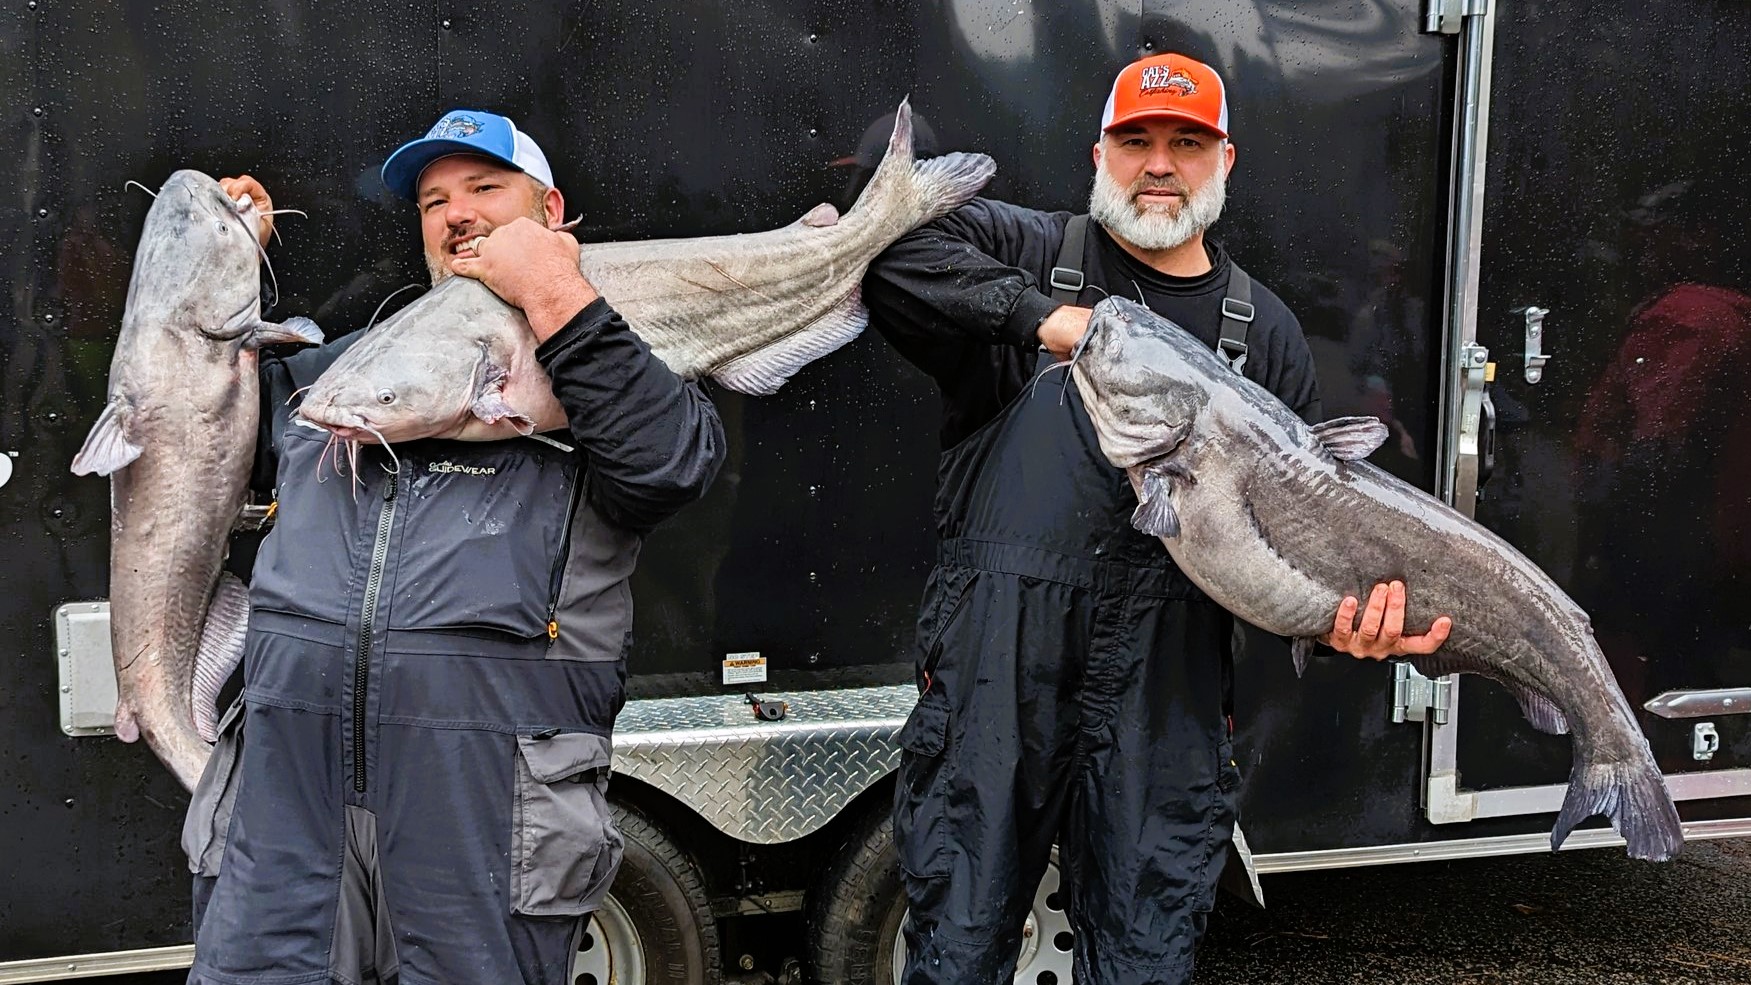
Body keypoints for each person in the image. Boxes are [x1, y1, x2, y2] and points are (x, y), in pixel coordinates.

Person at [863, 53, 1452, 984]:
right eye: (1136, 141)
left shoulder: (1264, 333)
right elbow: (889, 252)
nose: (1159, 164)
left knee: (1143, 962)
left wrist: (1351, 631)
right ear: (1099, 152)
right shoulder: (1025, 249)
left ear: (1225, 162)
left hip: (1164, 706)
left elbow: (1302, 543)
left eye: (1186, 143)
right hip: (992, 695)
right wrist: (1053, 325)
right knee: (959, 954)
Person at [183, 110, 725, 985]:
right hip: (285, 802)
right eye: (434, 200)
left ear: (550, 211)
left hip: (484, 809)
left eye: (483, 189)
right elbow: (196, 436)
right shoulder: (341, 372)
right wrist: (223, 263)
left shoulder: (608, 364)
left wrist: (555, 295)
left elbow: (671, 466)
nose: (454, 213)